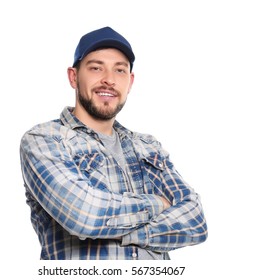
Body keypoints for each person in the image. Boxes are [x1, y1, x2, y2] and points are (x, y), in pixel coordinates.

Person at [20, 26, 208, 260]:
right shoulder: (44, 139)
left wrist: (128, 232)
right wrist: (159, 204)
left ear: (129, 82)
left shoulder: (148, 146)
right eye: (96, 68)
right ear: (73, 76)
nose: (109, 80)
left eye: (119, 70)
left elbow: (196, 221)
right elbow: (84, 215)